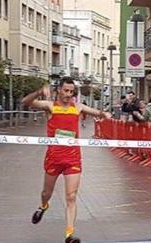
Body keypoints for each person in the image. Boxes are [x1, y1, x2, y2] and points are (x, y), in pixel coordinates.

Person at [22, 77, 111, 243]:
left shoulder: (78, 107)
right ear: (59, 90)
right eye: (66, 91)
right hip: (53, 158)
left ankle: (69, 235)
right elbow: (26, 102)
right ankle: (43, 206)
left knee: (71, 197)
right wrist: (39, 92)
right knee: (46, 193)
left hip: (73, 159)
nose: (68, 95)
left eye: (71, 92)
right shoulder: (50, 106)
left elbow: (97, 112)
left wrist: (104, 113)